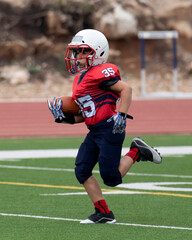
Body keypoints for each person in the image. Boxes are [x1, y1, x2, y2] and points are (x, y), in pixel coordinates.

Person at [48, 29, 162, 224]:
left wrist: (122, 115)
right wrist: (65, 118)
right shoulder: (79, 79)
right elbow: (85, 114)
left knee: (112, 178)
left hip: (110, 128)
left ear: (98, 52)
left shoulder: (102, 71)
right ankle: (103, 213)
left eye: (83, 51)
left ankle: (137, 151)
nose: (78, 56)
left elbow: (126, 88)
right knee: (82, 170)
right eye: (76, 52)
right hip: (94, 130)